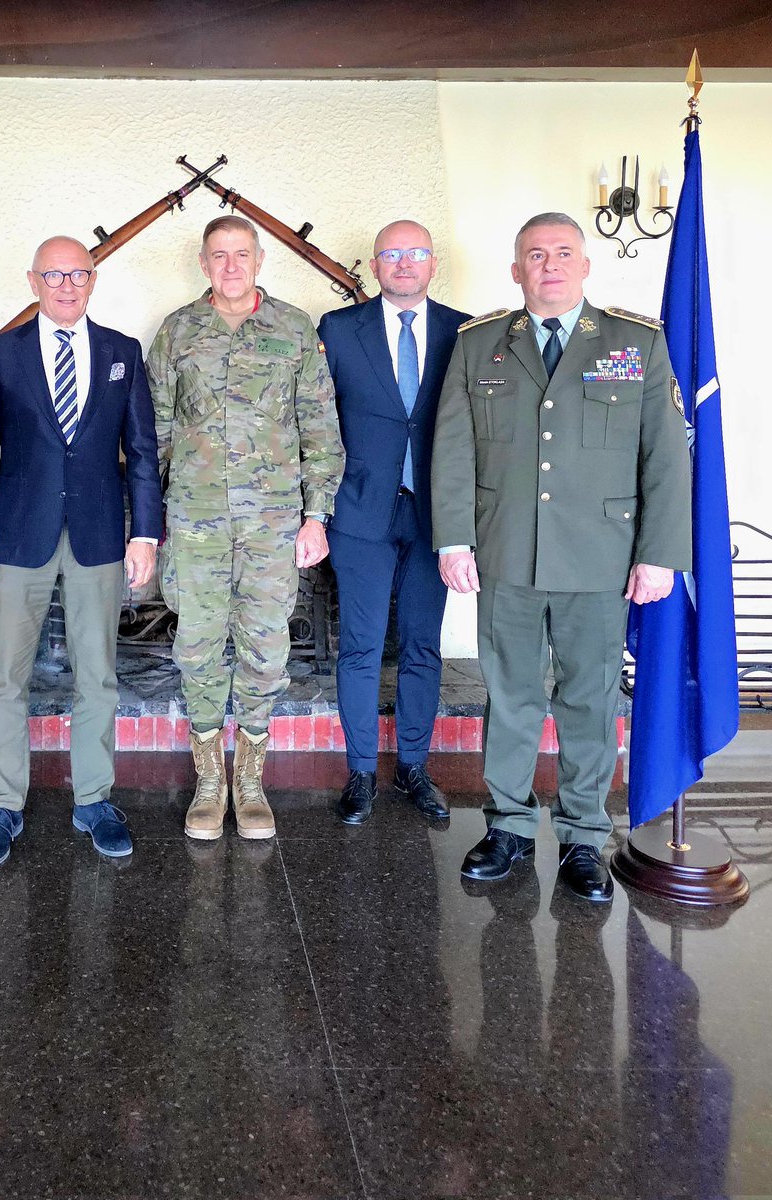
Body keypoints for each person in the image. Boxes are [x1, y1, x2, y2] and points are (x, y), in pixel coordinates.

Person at [430, 212, 691, 901]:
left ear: (585, 265)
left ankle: (583, 837)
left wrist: (659, 554)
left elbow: (665, 456)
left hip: (600, 557)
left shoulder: (635, 342)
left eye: (563, 252)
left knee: (589, 699)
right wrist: (454, 539)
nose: (549, 265)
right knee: (510, 695)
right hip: (507, 551)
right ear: (516, 270)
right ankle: (509, 826)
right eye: (536, 254)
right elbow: (453, 449)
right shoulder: (479, 343)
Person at [0, 236, 161, 867]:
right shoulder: (1, 353)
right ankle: (3, 805)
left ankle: (94, 799)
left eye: (79, 274)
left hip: (98, 534)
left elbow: (143, 451)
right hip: (17, 536)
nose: (67, 285)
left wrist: (145, 534)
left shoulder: (123, 352)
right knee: (5, 677)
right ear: (33, 281)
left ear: (93, 279)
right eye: (54, 275)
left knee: (98, 674)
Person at [146, 215, 344, 841]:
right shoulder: (178, 332)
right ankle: (210, 782)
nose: (230, 266)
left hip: (273, 523)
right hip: (195, 520)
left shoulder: (293, 329)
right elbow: (153, 433)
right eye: (219, 255)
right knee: (198, 645)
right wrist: (149, 522)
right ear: (204, 264)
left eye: (241, 254)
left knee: (265, 649)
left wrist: (317, 516)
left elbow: (320, 430)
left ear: (259, 261)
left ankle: (250, 780)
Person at [318, 220, 470, 826]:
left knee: (422, 645)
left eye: (416, 253)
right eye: (391, 254)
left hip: (437, 514)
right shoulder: (337, 329)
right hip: (360, 510)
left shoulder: (465, 332)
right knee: (359, 645)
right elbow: (318, 421)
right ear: (375, 265)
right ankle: (360, 771)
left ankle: (413, 766)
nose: (404, 263)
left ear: (433, 263)